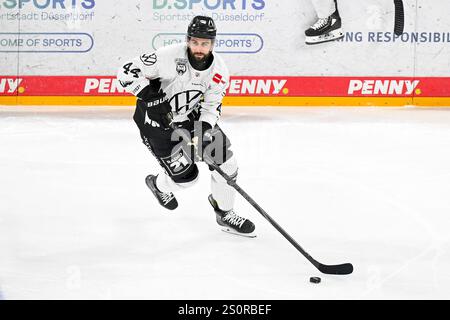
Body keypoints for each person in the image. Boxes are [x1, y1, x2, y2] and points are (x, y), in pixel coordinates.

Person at [117, 15, 255, 237]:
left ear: (213, 43)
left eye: (205, 43)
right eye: (195, 42)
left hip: (191, 118)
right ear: (188, 40)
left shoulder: (219, 71)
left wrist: (203, 132)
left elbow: (211, 107)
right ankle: (158, 186)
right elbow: (125, 71)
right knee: (187, 179)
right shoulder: (167, 57)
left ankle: (225, 213)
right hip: (155, 126)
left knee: (228, 165)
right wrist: (148, 95)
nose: (199, 48)